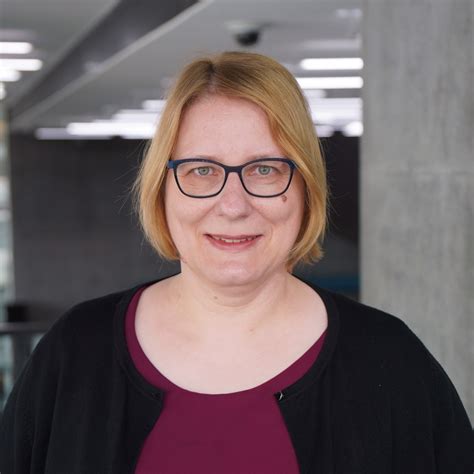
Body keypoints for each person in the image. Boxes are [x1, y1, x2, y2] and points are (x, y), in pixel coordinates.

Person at [0, 51, 472, 474]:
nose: (232, 205)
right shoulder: (74, 354)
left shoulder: (390, 361)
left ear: (305, 186)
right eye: (202, 170)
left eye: (265, 169)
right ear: (162, 189)